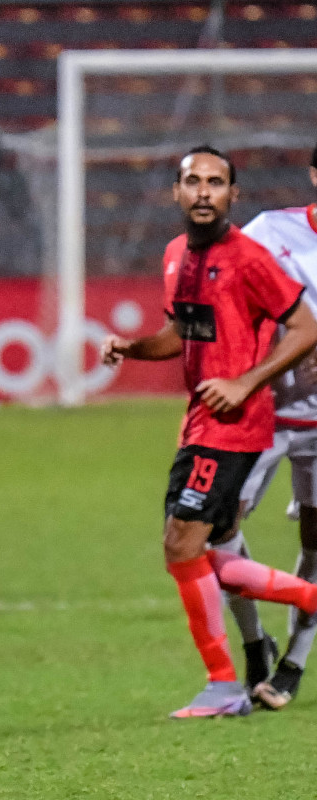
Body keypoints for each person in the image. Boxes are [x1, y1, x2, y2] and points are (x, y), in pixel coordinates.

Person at [101, 146, 317, 718]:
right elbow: (180, 335)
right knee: (206, 548)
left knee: (182, 545)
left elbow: (304, 326)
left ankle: (223, 684)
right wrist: (133, 347)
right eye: (192, 181)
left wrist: (246, 383)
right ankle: (302, 607)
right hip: (200, 422)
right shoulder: (176, 256)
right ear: (176, 191)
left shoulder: (248, 258)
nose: (203, 192)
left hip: (237, 426)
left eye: (215, 182)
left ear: (232, 195)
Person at [214, 145, 317, 711]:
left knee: (315, 543)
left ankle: (293, 663)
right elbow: (228, 296)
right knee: (217, 526)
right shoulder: (268, 233)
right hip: (265, 412)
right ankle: (255, 640)